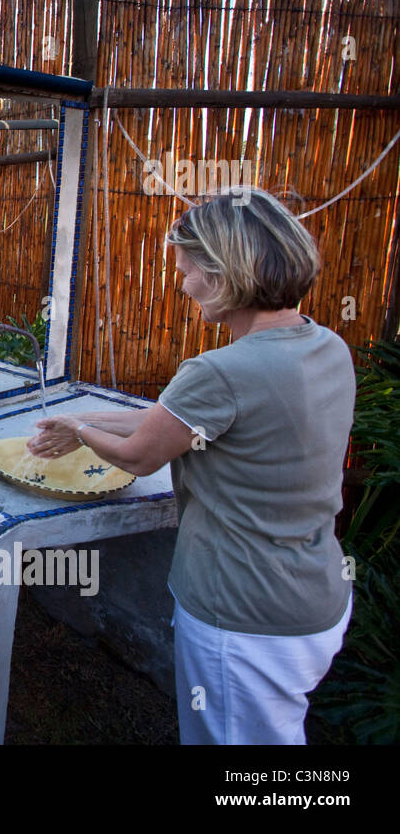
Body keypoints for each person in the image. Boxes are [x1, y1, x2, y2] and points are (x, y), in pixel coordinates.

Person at [26, 187, 354, 744]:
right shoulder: (326, 346)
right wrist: (85, 416)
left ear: (225, 273)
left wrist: (82, 432)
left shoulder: (220, 370)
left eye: (187, 270)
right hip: (313, 599)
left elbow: (141, 452)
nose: (182, 284)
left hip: (243, 615)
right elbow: (181, 421)